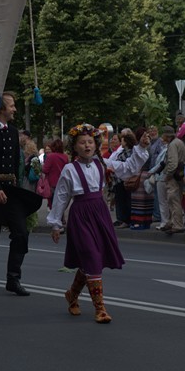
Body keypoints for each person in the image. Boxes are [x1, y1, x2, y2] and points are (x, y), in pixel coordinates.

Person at [48, 124, 149, 324]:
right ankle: (100, 308)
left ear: (95, 145)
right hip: (81, 215)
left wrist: (142, 148)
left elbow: (128, 168)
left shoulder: (102, 164)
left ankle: (72, 295)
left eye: (90, 142)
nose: (87, 146)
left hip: (99, 212)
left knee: (91, 261)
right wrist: (55, 224)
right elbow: (61, 197)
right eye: (82, 143)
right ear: (74, 147)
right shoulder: (69, 169)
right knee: (92, 257)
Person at [0, 91, 43, 297]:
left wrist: (17, 188)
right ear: (1, 108)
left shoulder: (13, 131)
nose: (14, 109)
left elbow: (15, 162)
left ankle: (13, 278)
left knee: (21, 233)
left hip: (10, 190)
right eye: (11, 106)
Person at [159, 126, 185, 234]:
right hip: (178, 175)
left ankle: (177, 224)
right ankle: (172, 222)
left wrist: (168, 174)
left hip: (173, 176)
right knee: (175, 199)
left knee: (173, 200)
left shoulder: (172, 145)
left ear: (166, 135)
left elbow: (173, 162)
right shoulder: (179, 142)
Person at [42, 138, 69, 209]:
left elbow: (45, 170)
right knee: (60, 203)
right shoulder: (65, 157)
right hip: (63, 182)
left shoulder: (50, 156)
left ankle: (54, 218)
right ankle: (61, 217)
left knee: (52, 204)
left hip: (52, 183)